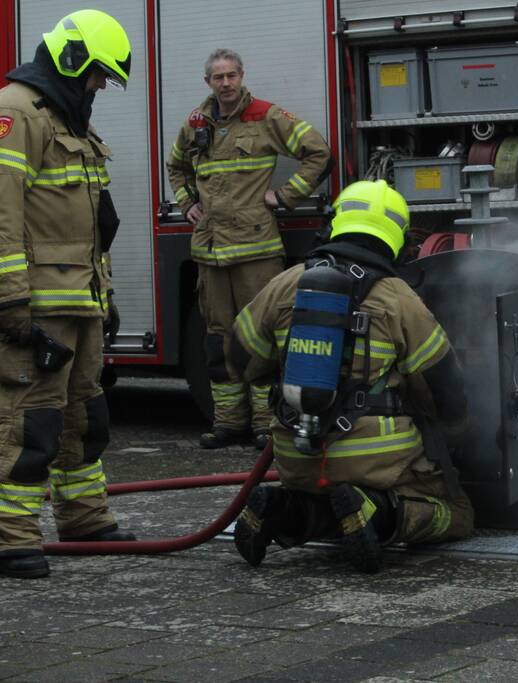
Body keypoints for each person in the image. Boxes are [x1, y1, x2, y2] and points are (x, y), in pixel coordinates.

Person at [229, 180, 474, 573]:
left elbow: (237, 362)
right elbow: (444, 388)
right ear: (398, 239)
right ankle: (379, 513)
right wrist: (457, 437)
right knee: (458, 512)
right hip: (375, 462)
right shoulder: (399, 298)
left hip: (295, 454)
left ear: (334, 224)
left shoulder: (285, 284)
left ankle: (281, 509)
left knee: (330, 500)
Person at [0, 10, 135, 579]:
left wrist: (104, 295)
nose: (99, 86)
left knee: (85, 418)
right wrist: (11, 300)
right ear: (71, 59)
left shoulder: (70, 121)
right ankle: (12, 537)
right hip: (38, 305)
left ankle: (85, 518)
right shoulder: (15, 113)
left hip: (79, 301)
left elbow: (91, 226)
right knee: (32, 422)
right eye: (97, 74)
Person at [166, 49, 333, 450]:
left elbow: (318, 153)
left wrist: (286, 196)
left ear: (242, 76)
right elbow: (176, 166)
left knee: (262, 337)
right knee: (217, 341)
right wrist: (187, 203)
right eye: (218, 77)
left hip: (256, 251)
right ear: (208, 82)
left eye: (231, 75)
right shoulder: (196, 123)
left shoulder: (266, 116)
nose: (225, 83)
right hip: (210, 254)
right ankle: (227, 422)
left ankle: (265, 424)